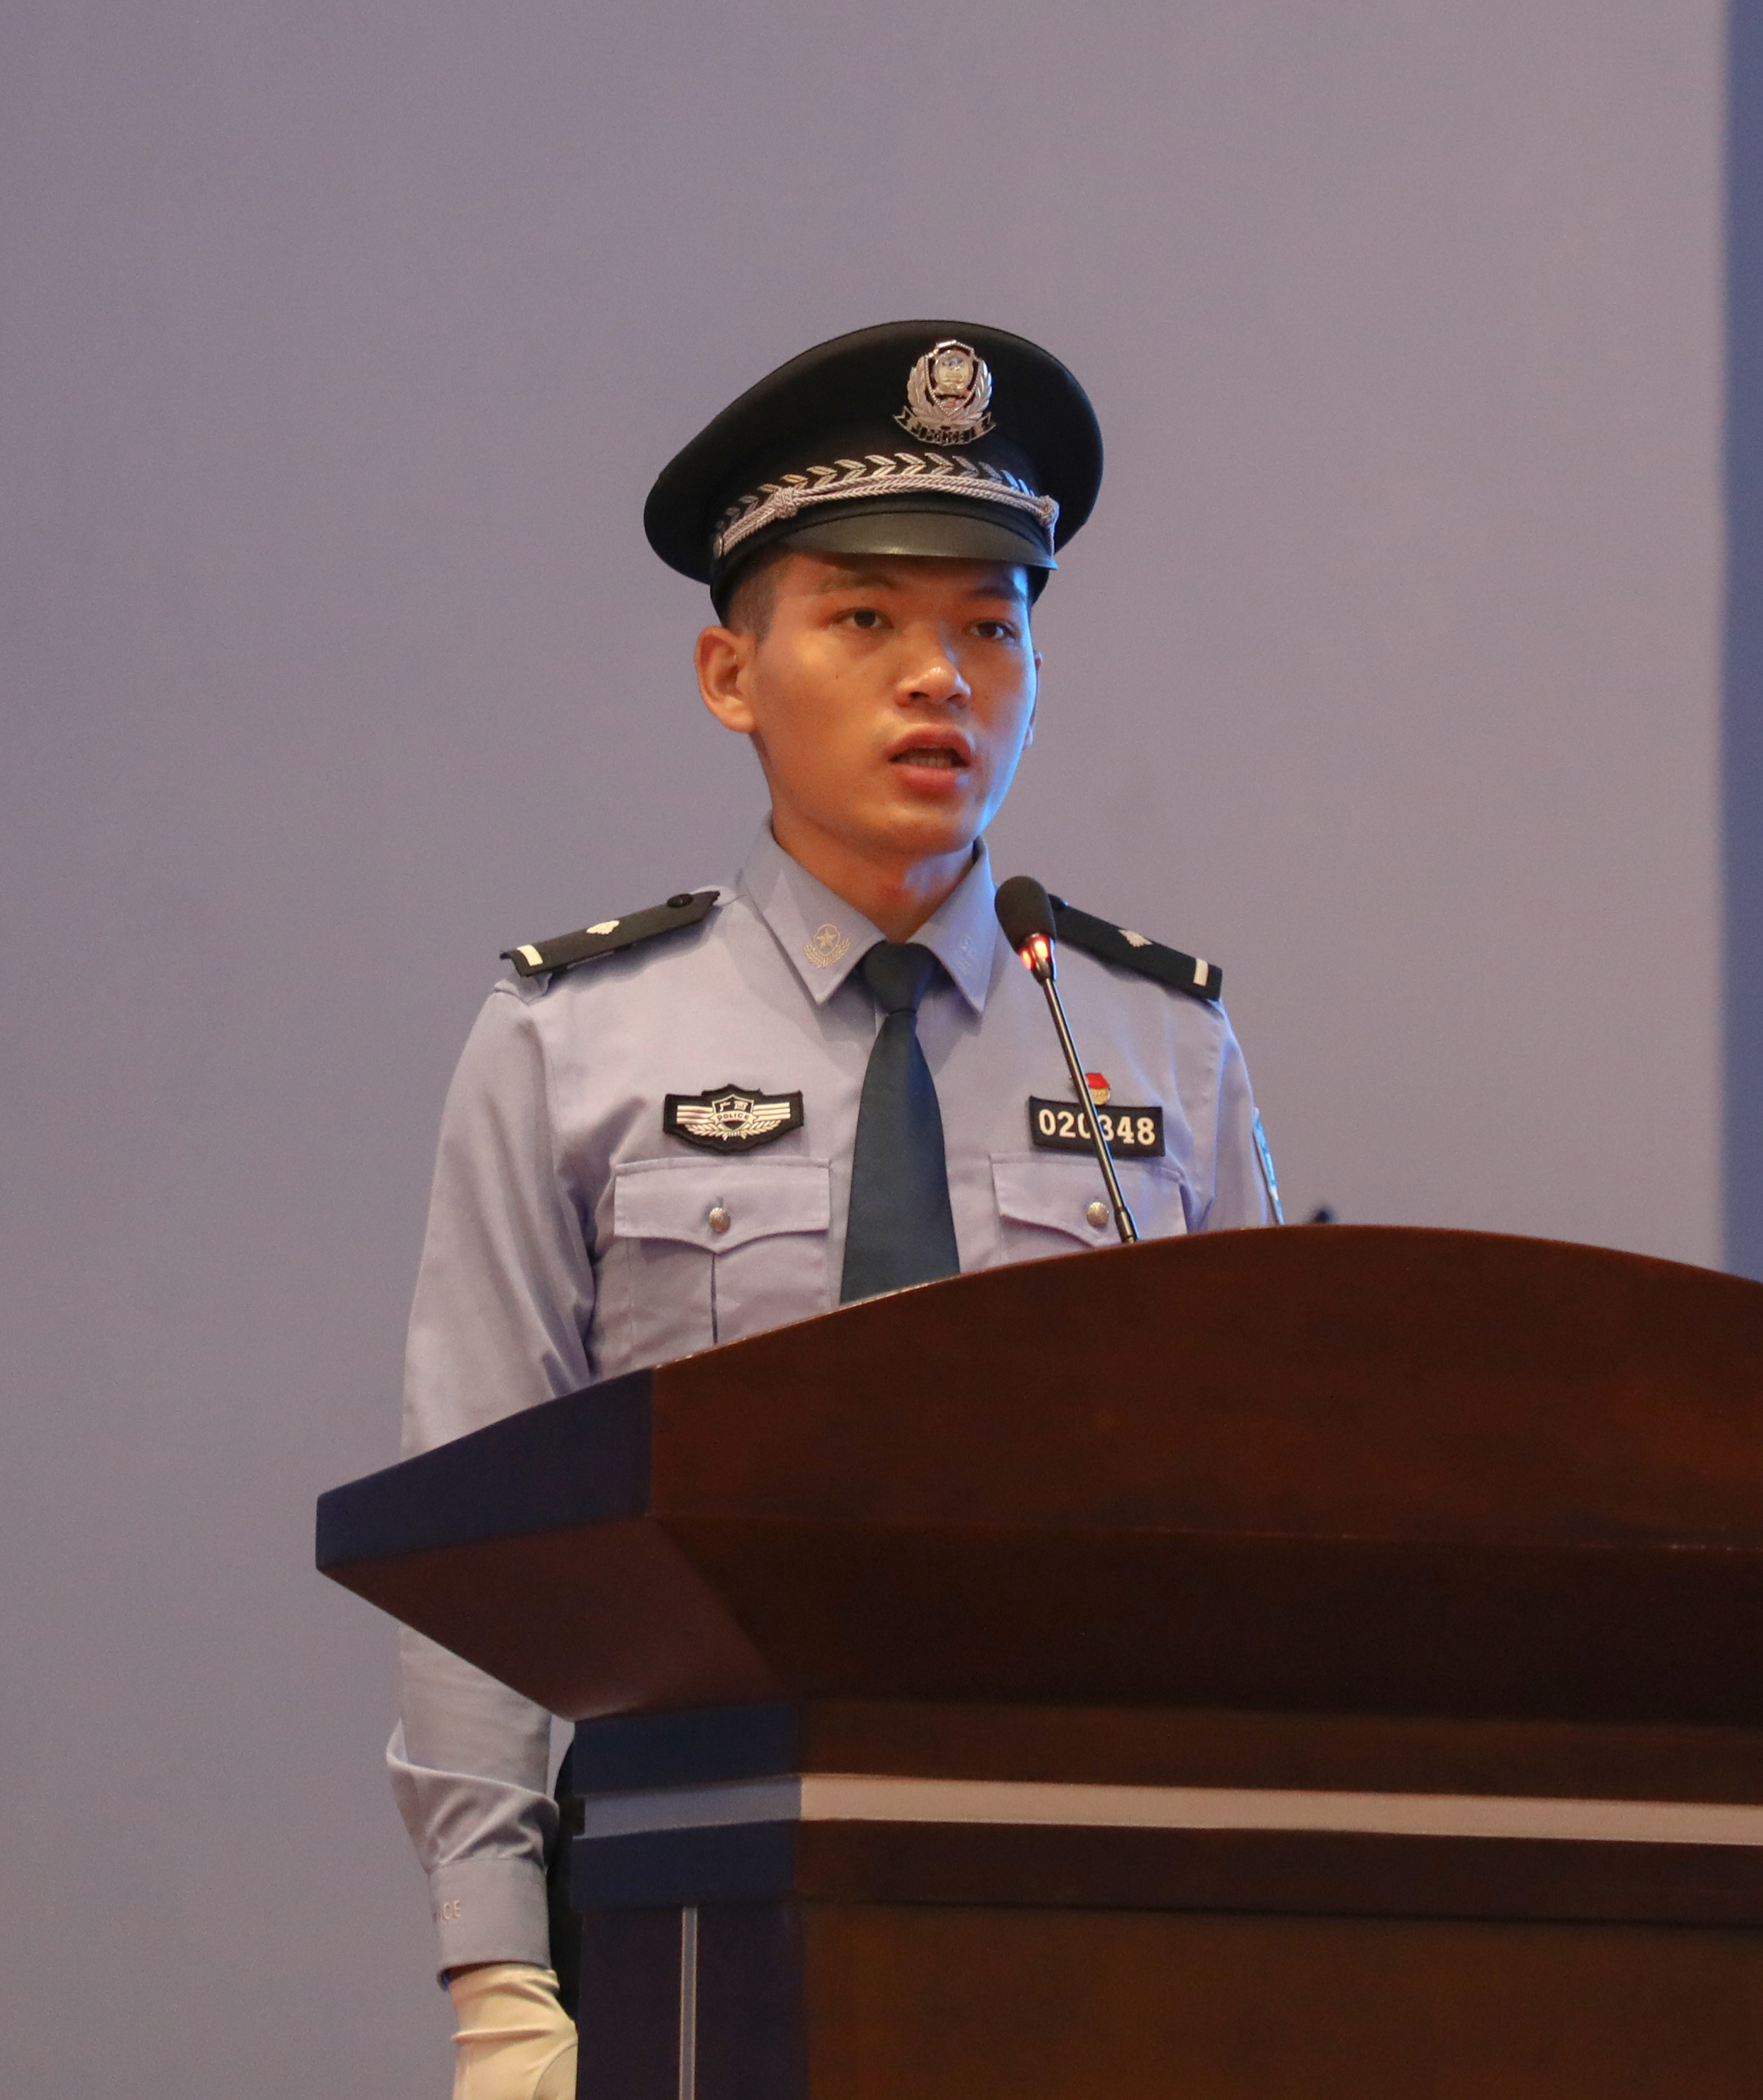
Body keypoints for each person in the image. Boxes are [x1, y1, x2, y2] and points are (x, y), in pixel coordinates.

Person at [384, 320, 1284, 2100]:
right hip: (682, 1880)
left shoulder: (1157, 1044)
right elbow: (471, 1533)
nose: (937, 678)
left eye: (989, 627)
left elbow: (1266, 1525)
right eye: (866, 618)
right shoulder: (574, 1041)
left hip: (1080, 1900)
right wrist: (499, 1978)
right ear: (732, 672)